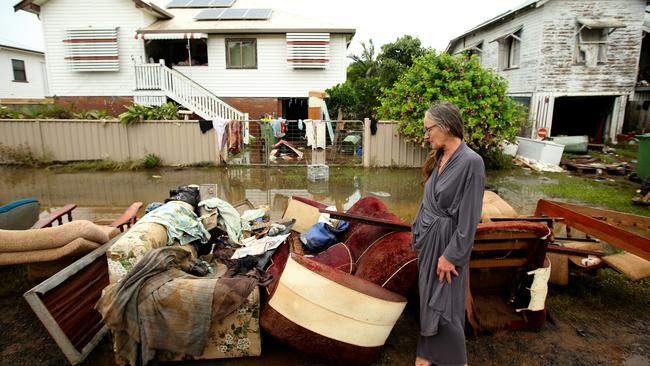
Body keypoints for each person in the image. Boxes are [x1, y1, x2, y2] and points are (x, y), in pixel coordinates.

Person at [412, 101, 485, 366]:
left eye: (429, 129)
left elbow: (469, 220)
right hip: (429, 241)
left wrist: (451, 256)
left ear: (445, 126)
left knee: (446, 305)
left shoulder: (472, 163)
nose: (426, 135)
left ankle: (455, 361)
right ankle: (426, 353)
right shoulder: (440, 157)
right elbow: (428, 201)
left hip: (448, 246)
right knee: (428, 299)